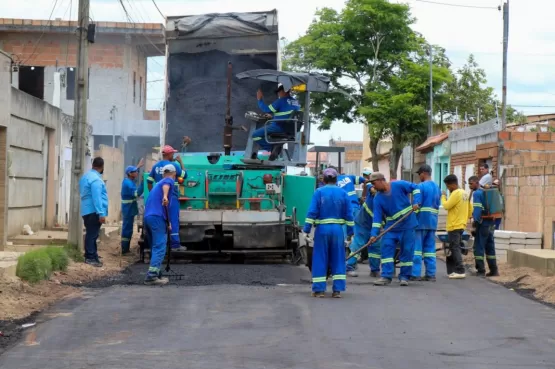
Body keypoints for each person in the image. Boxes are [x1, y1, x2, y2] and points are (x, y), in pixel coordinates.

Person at [303, 168, 354, 298]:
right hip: (337, 230)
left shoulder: (319, 192)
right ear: (336, 180)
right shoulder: (343, 193)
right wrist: (350, 234)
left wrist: (306, 230)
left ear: (324, 180)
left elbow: (312, 213)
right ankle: (337, 290)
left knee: (320, 258)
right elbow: (349, 215)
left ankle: (319, 290)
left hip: (322, 230)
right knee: (338, 259)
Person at [368, 173, 421, 286]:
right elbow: (377, 219)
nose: (373, 187)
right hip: (391, 228)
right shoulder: (377, 198)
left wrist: (416, 202)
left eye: (374, 183)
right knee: (386, 249)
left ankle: (404, 277)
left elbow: (416, 188)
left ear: (381, 180)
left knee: (407, 251)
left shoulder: (399, 185)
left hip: (408, 225)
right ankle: (386, 276)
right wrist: (373, 234)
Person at [143, 164, 178, 285]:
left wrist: (167, 221)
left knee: (155, 246)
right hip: (157, 218)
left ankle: (156, 273)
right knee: (160, 246)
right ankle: (151, 276)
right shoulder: (168, 181)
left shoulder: (156, 185)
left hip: (149, 217)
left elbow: (163, 207)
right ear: (174, 174)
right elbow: (167, 185)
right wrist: (165, 196)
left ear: (163, 173)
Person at [147, 145, 187, 251]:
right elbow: (184, 175)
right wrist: (181, 162)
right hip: (172, 197)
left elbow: (149, 181)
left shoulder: (156, 166)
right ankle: (175, 245)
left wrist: (152, 194)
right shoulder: (173, 166)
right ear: (169, 154)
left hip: (158, 199)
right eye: (172, 153)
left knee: (161, 219)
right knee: (173, 219)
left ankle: (160, 244)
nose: (173, 155)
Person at [252, 83, 301, 160]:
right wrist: (273, 116)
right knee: (268, 133)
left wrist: (259, 100)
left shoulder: (281, 101)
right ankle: (275, 148)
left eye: (279, 92)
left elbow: (266, 109)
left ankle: (272, 148)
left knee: (255, 135)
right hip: (292, 129)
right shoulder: (296, 102)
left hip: (279, 126)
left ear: (284, 91)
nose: (278, 93)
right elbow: (288, 114)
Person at [346, 182, 382, 278]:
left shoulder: (388, 200)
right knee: (358, 244)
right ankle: (349, 266)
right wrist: (371, 188)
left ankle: (375, 269)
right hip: (362, 223)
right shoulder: (374, 193)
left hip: (376, 226)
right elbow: (368, 183)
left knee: (375, 248)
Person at [411, 164, 441, 282]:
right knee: (430, 250)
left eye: (419, 174)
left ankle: (415, 273)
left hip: (420, 221)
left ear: (423, 173)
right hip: (433, 222)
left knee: (417, 249)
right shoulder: (437, 187)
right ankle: (431, 274)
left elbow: (416, 205)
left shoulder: (420, 186)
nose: (419, 176)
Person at [79, 157, 108, 267]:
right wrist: (101, 213)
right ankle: (90, 257)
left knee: (92, 234)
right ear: (102, 167)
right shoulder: (96, 179)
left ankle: (93, 255)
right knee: (92, 234)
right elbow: (97, 198)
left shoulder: (86, 176)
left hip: (86, 210)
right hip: (93, 211)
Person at [469, 176, 500, 277]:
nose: (470, 186)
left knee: (479, 246)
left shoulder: (477, 193)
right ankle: (494, 270)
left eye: (471, 183)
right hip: (491, 222)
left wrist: (475, 223)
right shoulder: (486, 192)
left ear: (476, 183)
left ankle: (481, 270)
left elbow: (477, 209)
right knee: (490, 246)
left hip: (482, 224)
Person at [441, 174, 469, 279]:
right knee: (455, 247)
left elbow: (446, 206)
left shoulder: (456, 193)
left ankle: (460, 270)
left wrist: (443, 197)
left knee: (455, 247)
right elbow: (470, 209)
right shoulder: (465, 193)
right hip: (461, 224)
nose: (448, 189)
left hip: (454, 225)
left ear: (452, 184)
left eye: (448, 187)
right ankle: (456, 270)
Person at [120, 159, 144, 254]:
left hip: (129, 208)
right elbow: (136, 193)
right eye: (135, 172)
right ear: (130, 173)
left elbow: (133, 172)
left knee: (128, 228)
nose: (137, 173)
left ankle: (126, 248)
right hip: (128, 209)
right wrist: (143, 182)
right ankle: (125, 250)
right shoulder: (128, 183)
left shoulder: (128, 180)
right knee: (127, 229)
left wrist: (138, 167)